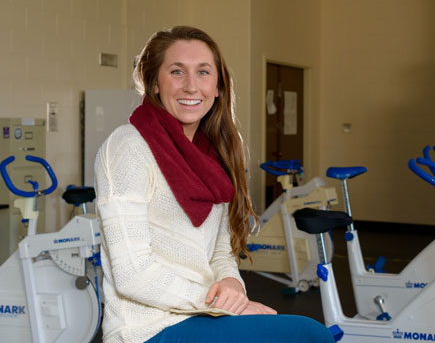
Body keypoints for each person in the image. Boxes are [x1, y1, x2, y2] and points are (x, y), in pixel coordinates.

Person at [94, 26, 335, 343]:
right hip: (147, 329)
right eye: (177, 71)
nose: (191, 86)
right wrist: (225, 305)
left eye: (203, 72)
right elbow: (131, 274)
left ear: (218, 86)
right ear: (154, 83)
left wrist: (233, 287)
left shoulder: (212, 155)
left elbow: (220, 252)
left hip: (203, 314)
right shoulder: (128, 147)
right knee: (309, 335)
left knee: (303, 332)